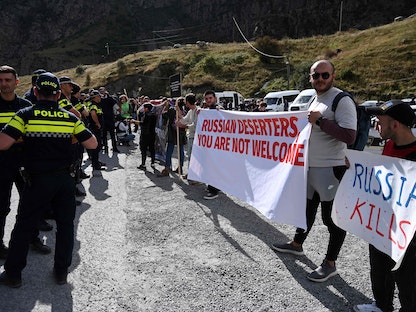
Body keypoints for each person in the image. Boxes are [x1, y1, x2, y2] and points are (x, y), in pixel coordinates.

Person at [0, 72, 97, 288]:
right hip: (64, 180)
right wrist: (69, 137)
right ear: (57, 93)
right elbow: (92, 144)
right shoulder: (70, 117)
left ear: (35, 92)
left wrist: (22, 136)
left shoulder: (25, 114)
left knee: (24, 226)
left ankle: (14, 274)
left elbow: (2, 144)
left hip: (36, 180)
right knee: (65, 226)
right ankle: (61, 272)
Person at [271, 60, 357, 282]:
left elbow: (350, 136)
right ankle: (297, 244)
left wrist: (321, 123)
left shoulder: (342, 99)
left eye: (324, 75)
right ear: (310, 77)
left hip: (331, 168)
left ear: (332, 76)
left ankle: (330, 263)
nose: (320, 78)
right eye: (315, 75)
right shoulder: (314, 98)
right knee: (306, 210)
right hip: (311, 168)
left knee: (331, 219)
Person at [353, 100, 416, 312]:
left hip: (407, 231)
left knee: (406, 277)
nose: (376, 126)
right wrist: (356, 168)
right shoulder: (389, 145)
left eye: (379, 122)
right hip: (383, 222)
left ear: (395, 125)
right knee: (379, 267)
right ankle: (382, 305)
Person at [0, 65, 52, 258]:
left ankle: (33, 238)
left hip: (25, 163)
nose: (4, 84)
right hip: (1, 164)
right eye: (0, 80)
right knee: (1, 206)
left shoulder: (26, 107)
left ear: (16, 82)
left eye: (7, 80)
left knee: (30, 203)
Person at [158, 98, 187, 177]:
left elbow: (164, 115)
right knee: (181, 150)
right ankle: (180, 167)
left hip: (172, 134)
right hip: (181, 133)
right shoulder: (184, 111)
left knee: (169, 151)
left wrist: (166, 107)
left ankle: (167, 168)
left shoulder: (172, 110)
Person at [202, 90, 222, 199]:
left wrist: (220, 110)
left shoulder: (218, 109)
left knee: (214, 167)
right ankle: (213, 186)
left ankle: (213, 191)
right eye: (206, 99)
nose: (208, 100)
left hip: (217, 146)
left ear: (215, 98)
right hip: (210, 145)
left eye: (210, 98)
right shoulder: (207, 111)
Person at [176, 93, 200, 181]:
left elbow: (196, 125)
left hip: (196, 137)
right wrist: (178, 111)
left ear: (188, 102)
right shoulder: (190, 111)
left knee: (196, 157)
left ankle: (197, 177)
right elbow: (184, 119)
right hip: (190, 137)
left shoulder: (198, 110)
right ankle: (191, 173)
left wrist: (184, 126)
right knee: (190, 156)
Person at [131, 103, 156, 170]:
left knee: (143, 149)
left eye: (144, 108)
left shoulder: (146, 115)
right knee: (152, 148)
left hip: (145, 134)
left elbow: (143, 123)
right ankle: (153, 162)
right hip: (152, 134)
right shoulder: (154, 115)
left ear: (146, 108)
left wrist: (134, 121)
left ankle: (143, 164)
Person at [87, 90, 105, 170]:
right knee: (96, 146)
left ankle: (96, 162)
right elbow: (93, 114)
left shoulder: (96, 105)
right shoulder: (93, 105)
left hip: (95, 128)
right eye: (99, 96)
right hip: (94, 128)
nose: (100, 98)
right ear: (95, 97)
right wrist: (97, 123)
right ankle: (95, 164)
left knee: (97, 146)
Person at [99, 86, 119, 153]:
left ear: (105, 91)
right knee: (104, 135)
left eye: (103, 91)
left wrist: (117, 112)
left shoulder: (110, 98)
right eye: (101, 91)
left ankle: (114, 147)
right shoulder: (99, 99)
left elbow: (115, 106)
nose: (102, 92)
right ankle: (106, 147)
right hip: (103, 119)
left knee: (112, 134)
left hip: (110, 118)